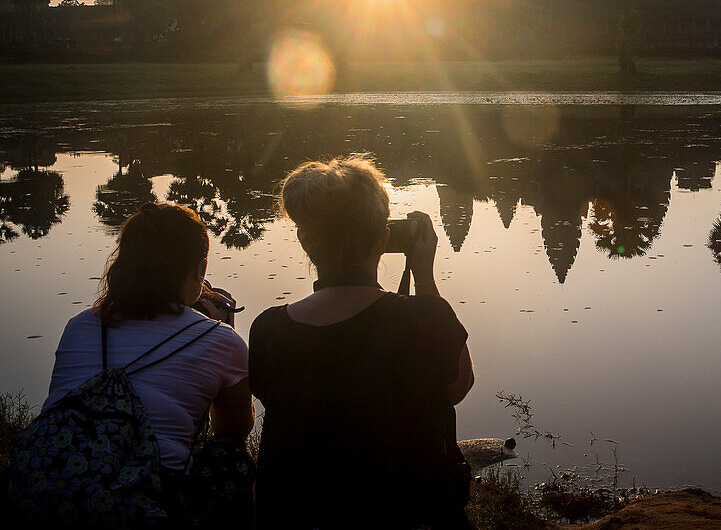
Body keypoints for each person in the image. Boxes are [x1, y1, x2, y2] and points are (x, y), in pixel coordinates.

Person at [249, 156, 474, 529]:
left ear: (305, 240)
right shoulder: (424, 318)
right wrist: (424, 277)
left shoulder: (269, 329)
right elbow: (456, 387)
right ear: (384, 237)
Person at [36, 202, 253, 519]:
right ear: (199, 268)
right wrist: (221, 327)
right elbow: (233, 428)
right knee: (231, 457)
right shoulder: (220, 340)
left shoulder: (79, 326)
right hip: (144, 500)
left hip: (51, 489)